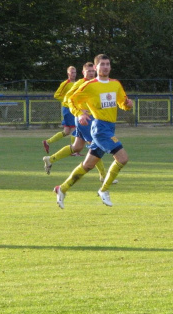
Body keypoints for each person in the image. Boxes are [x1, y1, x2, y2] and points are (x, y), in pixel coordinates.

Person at [53, 54, 133, 209]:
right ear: (96, 67)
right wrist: (80, 114)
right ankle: (104, 190)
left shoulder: (116, 84)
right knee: (122, 158)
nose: (105, 67)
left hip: (110, 127)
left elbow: (122, 103)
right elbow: (71, 100)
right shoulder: (90, 85)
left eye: (108, 64)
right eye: (102, 64)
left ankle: (62, 189)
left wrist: (128, 104)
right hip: (100, 128)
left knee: (88, 165)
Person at [42, 62, 115, 184]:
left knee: (77, 147)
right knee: (95, 145)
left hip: (91, 119)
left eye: (93, 71)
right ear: (83, 72)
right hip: (84, 120)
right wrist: (79, 111)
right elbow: (67, 99)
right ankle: (103, 176)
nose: (91, 73)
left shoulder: (95, 84)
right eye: (89, 71)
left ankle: (50, 159)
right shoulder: (80, 83)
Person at [43, 66, 77, 154]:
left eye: (75, 72)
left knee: (66, 131)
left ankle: (47, 142)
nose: (74, 74)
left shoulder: (77, 83)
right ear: (68, 74)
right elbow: (56, 95)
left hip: (73, 108)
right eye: (72, 72)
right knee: (74, 128)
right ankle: (74, 150)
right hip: (67, 108)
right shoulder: (65, 83)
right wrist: (66, 100)